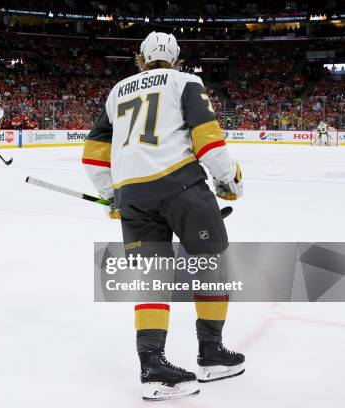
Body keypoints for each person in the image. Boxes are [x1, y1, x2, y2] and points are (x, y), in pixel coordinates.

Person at [83, 32, 244, 400]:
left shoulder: (117, 91)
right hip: (181, 186)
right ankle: (212, 353)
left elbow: (93, 154)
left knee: (151, 278)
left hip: (133, 195)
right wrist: (228, 179)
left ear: (140, 57)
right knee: (213, 264)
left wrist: (113, 197)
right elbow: (208, 139)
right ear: (175, 57)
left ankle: (153, 367)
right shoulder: (186, 81)